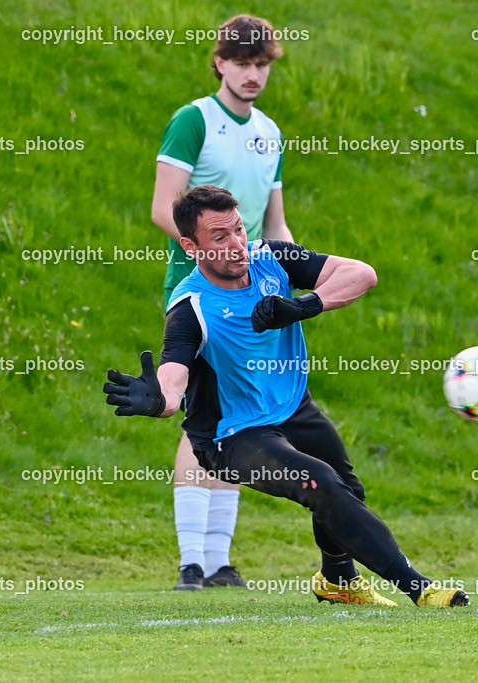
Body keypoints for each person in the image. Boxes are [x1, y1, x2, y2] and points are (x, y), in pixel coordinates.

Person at [105, 185, 469, 608]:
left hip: (293, 407)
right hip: (231, 435)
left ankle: (337, 581)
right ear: (190, 246)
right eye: (220, 238)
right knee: (322, 483)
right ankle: (419, 589)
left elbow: (362, 274)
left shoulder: (272, 257)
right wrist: (157, 401)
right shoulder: (191, 307)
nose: (237, 244)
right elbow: (172, 380)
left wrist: (302, 306)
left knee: (347, 490)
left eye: (238, 230)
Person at [150, 14, 294, 590]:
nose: (252, 73)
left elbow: (276, 227)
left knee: (240, 417)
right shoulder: (194, 120)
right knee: (199, 419)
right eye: (241, 62)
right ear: (219, 62)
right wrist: (216, 257)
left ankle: (219, 563)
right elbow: (165, 208)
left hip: (250, 295)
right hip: (201, 290)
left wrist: (293, 289)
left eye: (261, 64)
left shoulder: (271, 132)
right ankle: (192, 560)